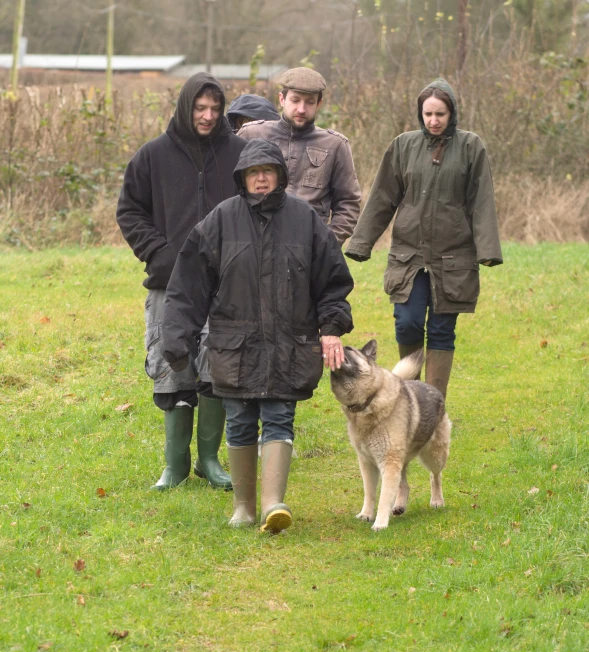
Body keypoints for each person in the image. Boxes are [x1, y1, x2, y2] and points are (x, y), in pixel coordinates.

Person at [162, 138, 354, 533]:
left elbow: (332, 282)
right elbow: (189, 284)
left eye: (268, 171)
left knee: (280, 417)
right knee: (239, 421)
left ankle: (273, 505)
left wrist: (332, 328)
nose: (261, 179)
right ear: (243, 179)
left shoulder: (305, 220)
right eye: (254, 173)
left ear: (280, 177)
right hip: (235, 346)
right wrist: (177, 336)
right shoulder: (219, 221)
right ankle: (243, 508)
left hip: (291, 343)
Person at [116, 73, 247, 491]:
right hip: (168, 284)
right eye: (199, 108)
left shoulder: (239, 154)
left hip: (223, 284)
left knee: (216, 364)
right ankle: (175, 465)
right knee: (170, 365)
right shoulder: (152, 155)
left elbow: (258, 207)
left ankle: (209, 461)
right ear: (185, 107)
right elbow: (130, 211)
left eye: (214, 109)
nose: (207, 116)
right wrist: (160, 252)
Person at [345, 78, 503, 400]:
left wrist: (487, 250)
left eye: (440, 114)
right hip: (409, 257)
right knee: (408, 323)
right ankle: (411, 396)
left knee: (443, 330)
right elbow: (382, 198)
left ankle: (433, 404)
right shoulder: (403, 146)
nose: (434, 120)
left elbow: (481, 201)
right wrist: (361, 243)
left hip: (454, 258)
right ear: (420, 113)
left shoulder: (471, 147)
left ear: (452, 113)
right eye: (428, 113)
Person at [237, 67, 361, 246]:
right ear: (282, 99)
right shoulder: (251, 135)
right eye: (295, 100)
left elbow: (348, 203)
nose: (301, 109)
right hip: (253, 244)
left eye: (310, 102)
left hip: (308, 249)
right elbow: (230, 191)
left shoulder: (335, 145)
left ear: (319, 104)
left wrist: (327, 244)